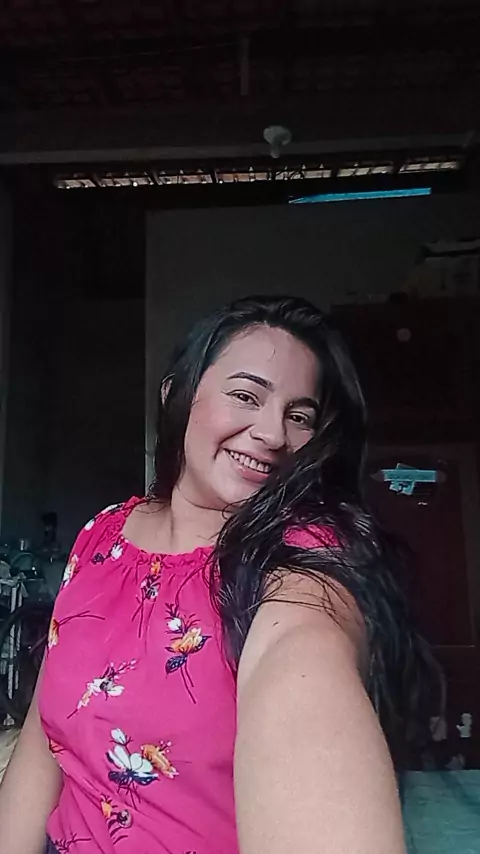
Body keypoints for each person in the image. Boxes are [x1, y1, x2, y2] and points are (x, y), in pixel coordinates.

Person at [0, 295, 438, 854]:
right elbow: (44, 740)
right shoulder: (102, 535)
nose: (273, 434)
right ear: (177, 395)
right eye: (246, 396)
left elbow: (303, 659)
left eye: (299, 416)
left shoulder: (307, 556)